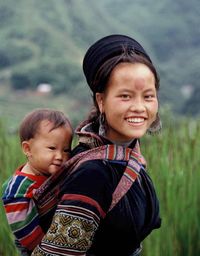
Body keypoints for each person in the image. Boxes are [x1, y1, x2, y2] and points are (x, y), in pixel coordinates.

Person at [31, 34, 162, 256]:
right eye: (125, 96)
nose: (140, 107)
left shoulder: (128, 156)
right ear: (101, 101)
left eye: (148, 96)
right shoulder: (93, 175)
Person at [2, 108, 73, 255]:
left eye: (66, 150)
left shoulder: (52, 175)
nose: (60, 155)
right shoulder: (19, 189)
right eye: (52, 148)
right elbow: (25, 231)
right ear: (28, 148)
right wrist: (48, 251)